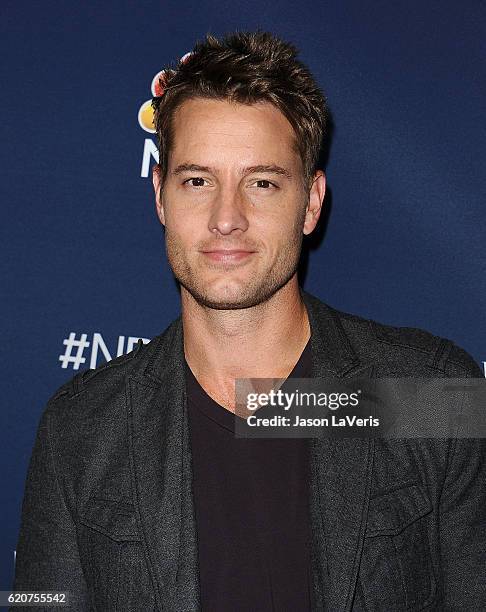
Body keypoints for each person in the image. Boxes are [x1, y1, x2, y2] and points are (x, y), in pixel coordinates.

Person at [13, 31, 485, 611]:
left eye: (261, 182)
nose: (227, 217)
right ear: (160, 196)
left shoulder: (428, 394)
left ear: (311, 202)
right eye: (198, 181)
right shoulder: (80, 430)